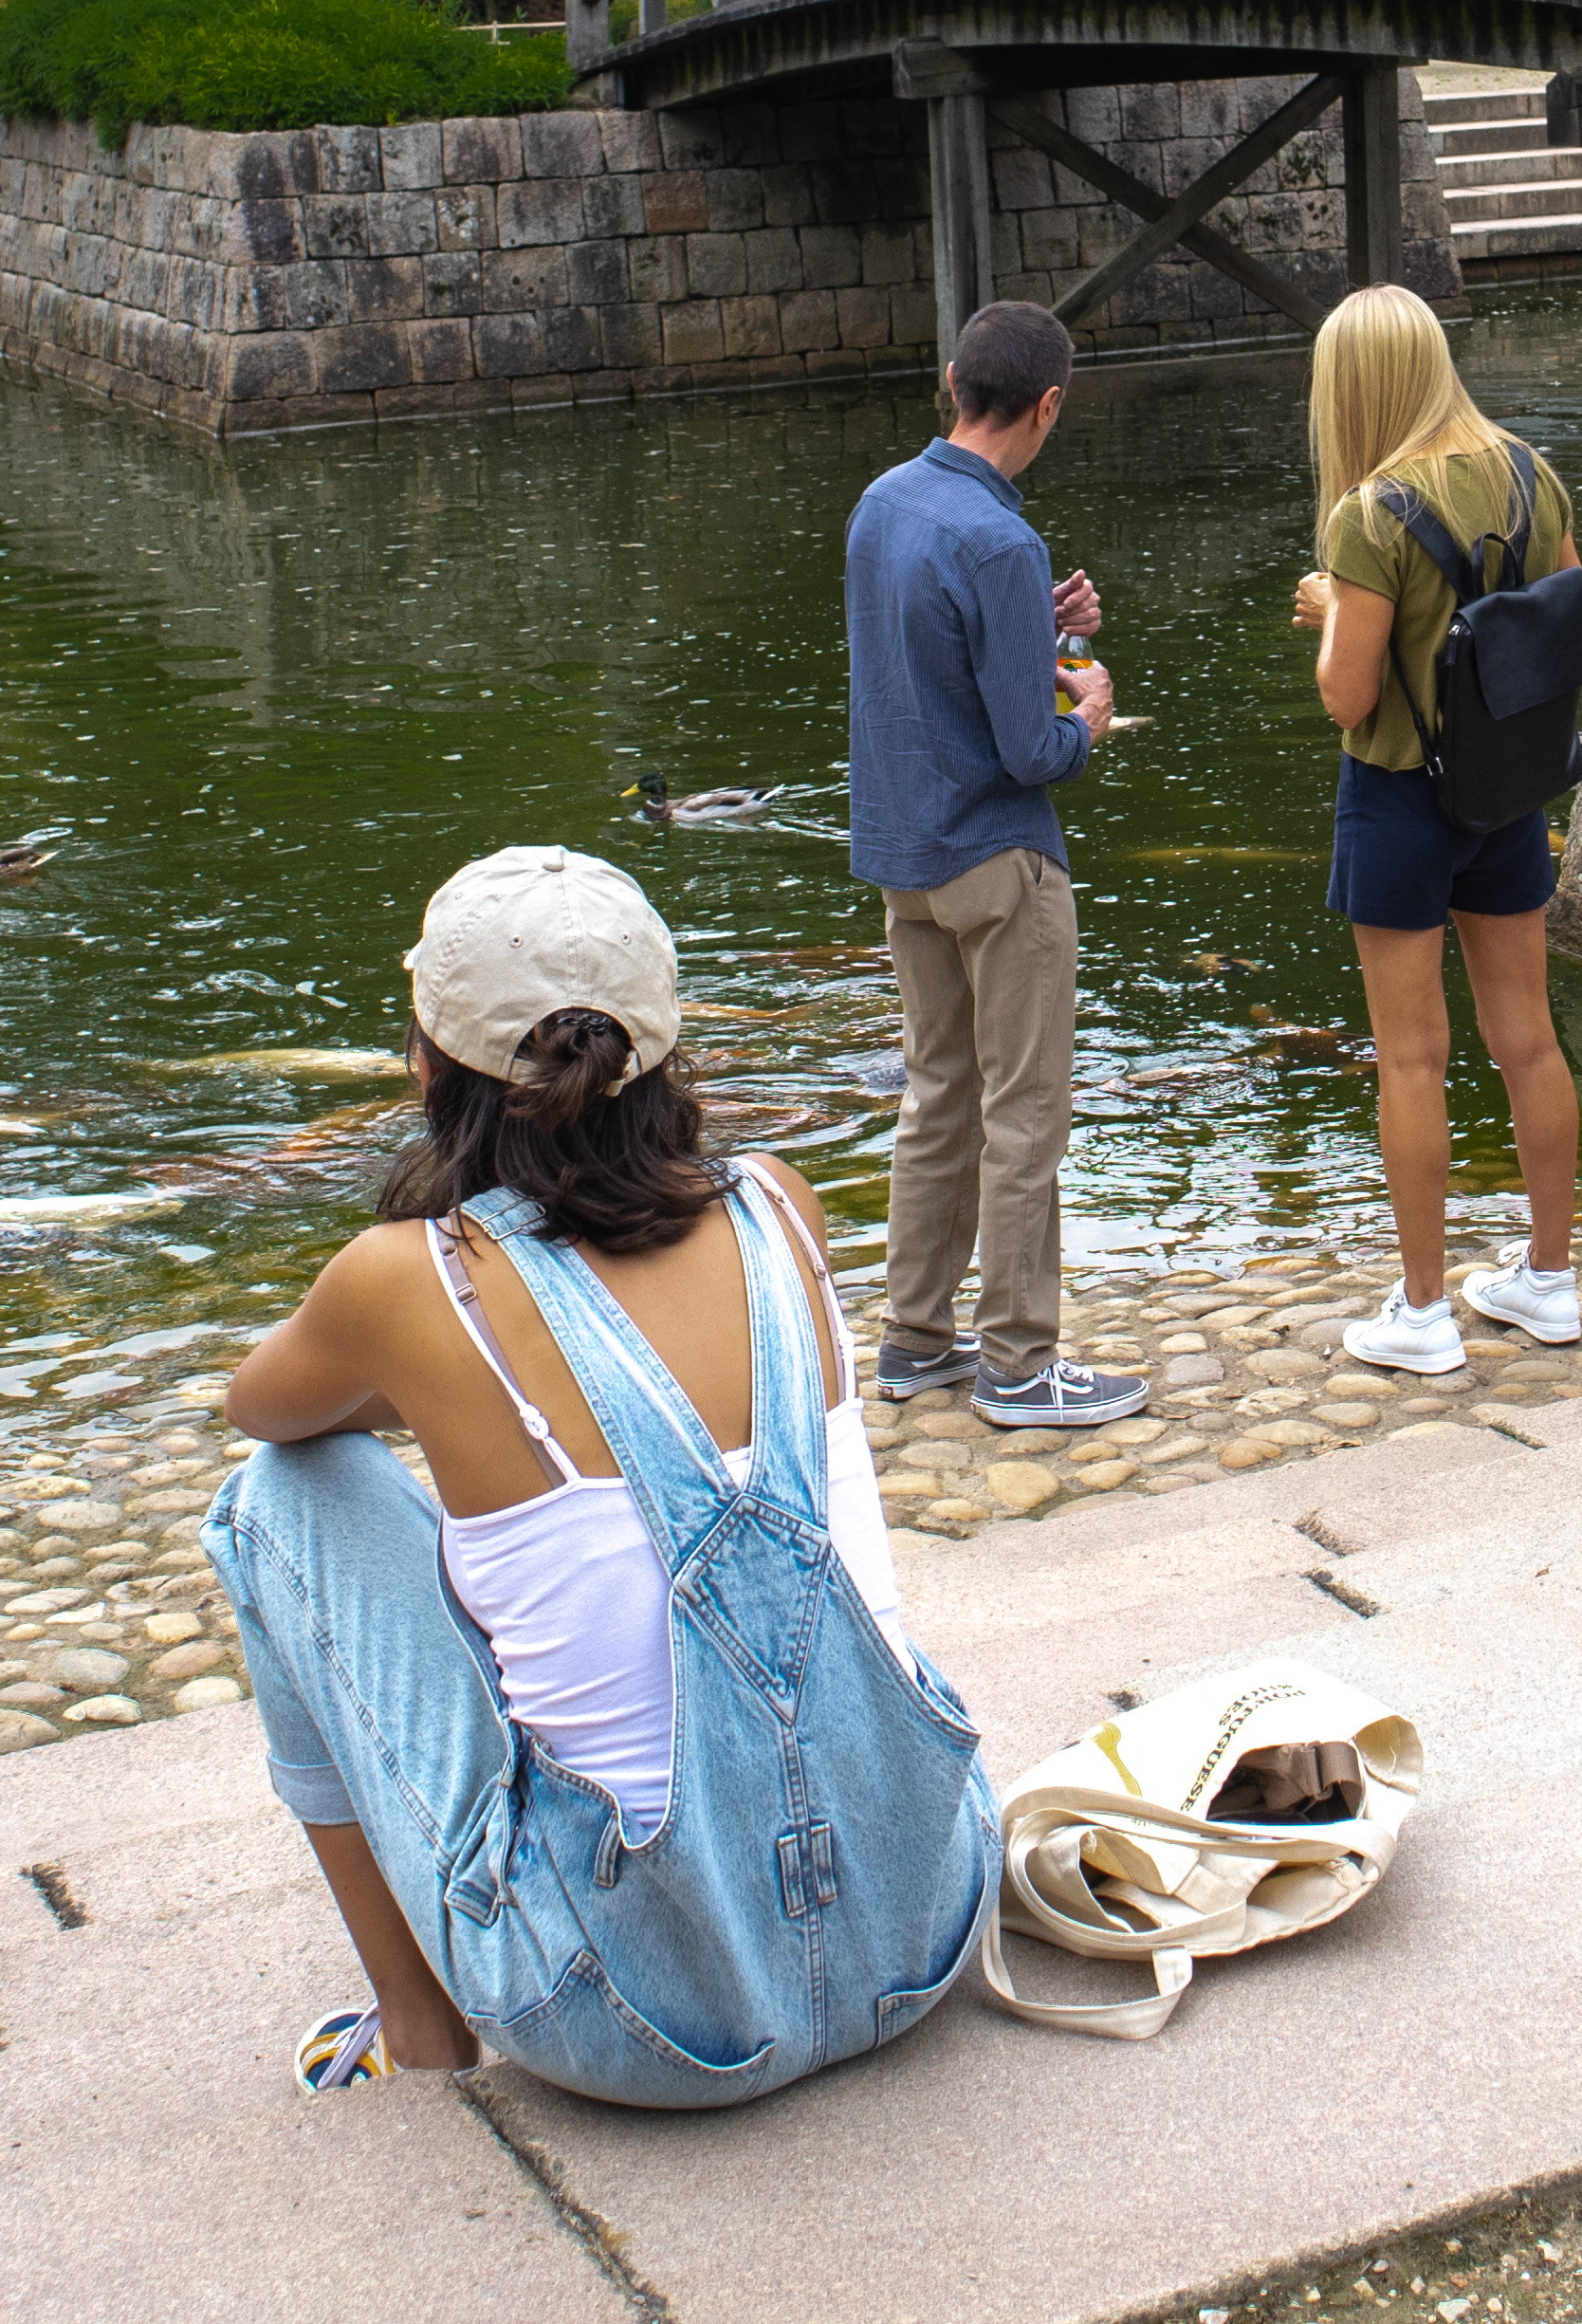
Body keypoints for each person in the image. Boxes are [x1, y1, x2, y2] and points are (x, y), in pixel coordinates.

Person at [209, 845, 998, 2102]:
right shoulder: (782, 1207)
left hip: (646, 2026)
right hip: (926, 1925)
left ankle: (419, 2029)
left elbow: (265, 1411)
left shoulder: (407, 1282)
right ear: (663, 1047)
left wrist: (422, 1382)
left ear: (429, 1063)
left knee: (271, 1504)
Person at [840, 299, 1151, 1429]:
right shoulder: (999, 538)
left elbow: (926, 669)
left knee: (938, 1099)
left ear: (952, 379)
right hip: (1000, 863)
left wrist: (1046, 630)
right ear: (1049, 403)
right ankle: (1021, 1364)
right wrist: (1095, 711)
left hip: (905, 857)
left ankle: (916, 1339)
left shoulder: (883, 504)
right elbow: (1032, 745)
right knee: (1026, 1113)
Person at [1282, 286, 1582, 1374]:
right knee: (1531, 1038)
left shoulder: (1368, 514)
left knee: (1412, 1059)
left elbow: (1349, 698)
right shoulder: (1527, 467)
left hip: (1402, 798)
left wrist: (1331, 618)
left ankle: (1422, 1314)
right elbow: (1558, 618)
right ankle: (1548, 1281)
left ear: (1352, 389)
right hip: (1507, 789)